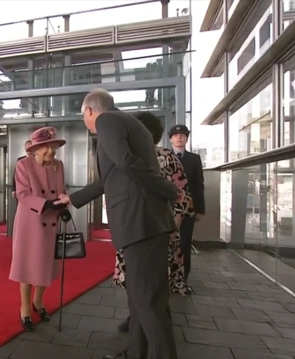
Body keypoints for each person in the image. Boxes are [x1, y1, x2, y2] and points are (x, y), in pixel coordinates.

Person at [56, 89, 182, 359]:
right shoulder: (124, 123)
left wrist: (167, 189)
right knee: (142, 298)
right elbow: (111, 176)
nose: (85, 121)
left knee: (148, 301)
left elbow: (126, 163)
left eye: (82, 116)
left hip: (140, 221)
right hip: (144, 221)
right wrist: (73, 198)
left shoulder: (107, 121)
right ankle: (136, 352)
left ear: (90, 110)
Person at [114, 112, 193, 333]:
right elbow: (183, 194)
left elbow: (180, 194)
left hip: (142, 227)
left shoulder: (141, 158)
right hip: (161, 226)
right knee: (155, 280)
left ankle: (144, 324)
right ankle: (139, 320)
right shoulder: (168, 157)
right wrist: (174, 224)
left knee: (141, 278)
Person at [10, 126, 68, 332]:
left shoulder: (58, 165)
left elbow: (62, 189)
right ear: (35, 149)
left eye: (53, 147)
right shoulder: (23, 165)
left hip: (51, 220)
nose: (50, 152)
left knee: (45, 263)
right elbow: (23, 194)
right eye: (46, 148)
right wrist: (47, 204)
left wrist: (62, 205)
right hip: (30, 220)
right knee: (28, 264)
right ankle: (25, 307)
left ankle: (39, 301)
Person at [168, 124, 205, 282]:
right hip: (167, 208)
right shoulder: (164, 157)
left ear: (186, 138)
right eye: (176, 135)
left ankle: (182, 279)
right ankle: (166, 277)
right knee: (166, 243)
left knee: (184, 243)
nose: (179, 137)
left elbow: (198, 185)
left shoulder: (194, 159)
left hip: (188, 209)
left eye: (183, 135)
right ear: (170, 139)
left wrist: (200, 209)